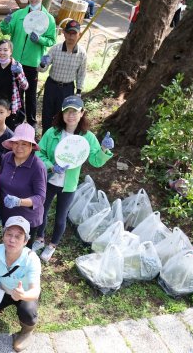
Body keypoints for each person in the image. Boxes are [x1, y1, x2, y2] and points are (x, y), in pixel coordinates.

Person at [34, 96, 114, 262]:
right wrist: (50, 165)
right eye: (67, 111)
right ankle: (39, 239)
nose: (70, 115)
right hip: (49, 180)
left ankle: (52, 245)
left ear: (82, 113)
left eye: (75, 112)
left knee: (60, 217)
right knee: (41, 211)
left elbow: (96, 161)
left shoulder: (88, 137)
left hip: (68, 185)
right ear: (62, 114)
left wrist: (104, 149)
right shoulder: (52, 132)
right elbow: (38, 152)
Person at [0, 216, 41, 352]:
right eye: (9, 234)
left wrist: (23, 294)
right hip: (2, 287)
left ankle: (27, 331)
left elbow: (35, 291)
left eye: (18, 236)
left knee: (27, 311)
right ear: (3, 236)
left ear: (25, 241)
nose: (12, 240)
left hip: (23, 293)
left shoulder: (32, 259)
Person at [0, 0, 57, 127]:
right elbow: (6, 31)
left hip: (33, 62)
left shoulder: (48, 19)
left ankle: (31, 123)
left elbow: (51, 40)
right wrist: (5, 23)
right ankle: (17, 120)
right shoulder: (18, 14)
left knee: (30, 94)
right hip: (16, 61)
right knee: (16, 92)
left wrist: (40, 39)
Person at [0, 124, 47, 245]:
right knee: (8, 247)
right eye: (16, 143)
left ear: (32, 146)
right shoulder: (7, 158)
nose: (19, 147)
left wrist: (19, 201)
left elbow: (40, 198)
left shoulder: (37, 166)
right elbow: (0, 181)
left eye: (24, 143)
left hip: (27, 219)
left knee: (22, 253)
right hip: (7, 215)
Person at [38, 20, 87, 133]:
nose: (71, 36)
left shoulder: (82, 53)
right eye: (69, 33)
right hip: (52, 85)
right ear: (64, 33)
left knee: (63, 114)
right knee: (47, 113)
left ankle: (59, 137)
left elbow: (81, 74)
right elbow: (42, 69)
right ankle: (45, 137)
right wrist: (42, 63)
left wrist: (79, 92)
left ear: (79, 34)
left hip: (68, 88)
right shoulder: (55, 49)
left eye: (74, 33)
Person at [0, 40, 29, 130]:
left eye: (5, 50)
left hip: (12, 109)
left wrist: (19, 74)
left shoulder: (16, 66)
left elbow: (25, 86)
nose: (2, 52)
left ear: (11, 52)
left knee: (10, 134)